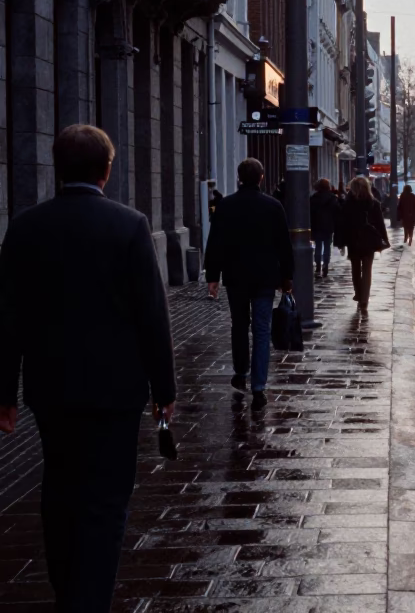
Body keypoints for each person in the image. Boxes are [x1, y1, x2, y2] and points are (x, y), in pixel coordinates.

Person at [0, 124, 177, 612]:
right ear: (106, 170)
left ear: (58, 168)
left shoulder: (25, 227)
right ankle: (88, 600)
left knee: (59, 487)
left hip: (51, 389)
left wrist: (5, 393)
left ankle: (66, 588)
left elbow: (8, 316)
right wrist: (165, 389)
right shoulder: (129, 225)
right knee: (104, 501)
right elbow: (152, 315)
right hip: (116, 392)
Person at [203, 158, 294, 409]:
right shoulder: (273, 206)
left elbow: (216, 243)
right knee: (262, 330)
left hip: (236, 277)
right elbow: (283, 246)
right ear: (262, 178)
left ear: (238, 178)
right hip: (265, 278)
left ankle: (241, 372)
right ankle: (259, 386)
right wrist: (287, 277)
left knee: (239, 325)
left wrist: (213, 276)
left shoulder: (226, 206)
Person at [340, 177, 390, 314]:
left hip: (353, 240)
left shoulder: (348, 203)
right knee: (367, 270)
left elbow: (342, 224)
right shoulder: (373, 203)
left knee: (355, 268)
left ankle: (358, 293)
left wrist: (341, 242)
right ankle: (364, 299)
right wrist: (384, 240)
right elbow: (380, 224)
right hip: (369, 241)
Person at [310, 178, 340, 278]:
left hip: (317, 225)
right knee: (327, 246)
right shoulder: (332, 198)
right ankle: (325, 265)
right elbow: (336, 212)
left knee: (318, 246)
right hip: (328, 226)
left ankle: (318, 265)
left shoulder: (314, 198)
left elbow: (310, 212)